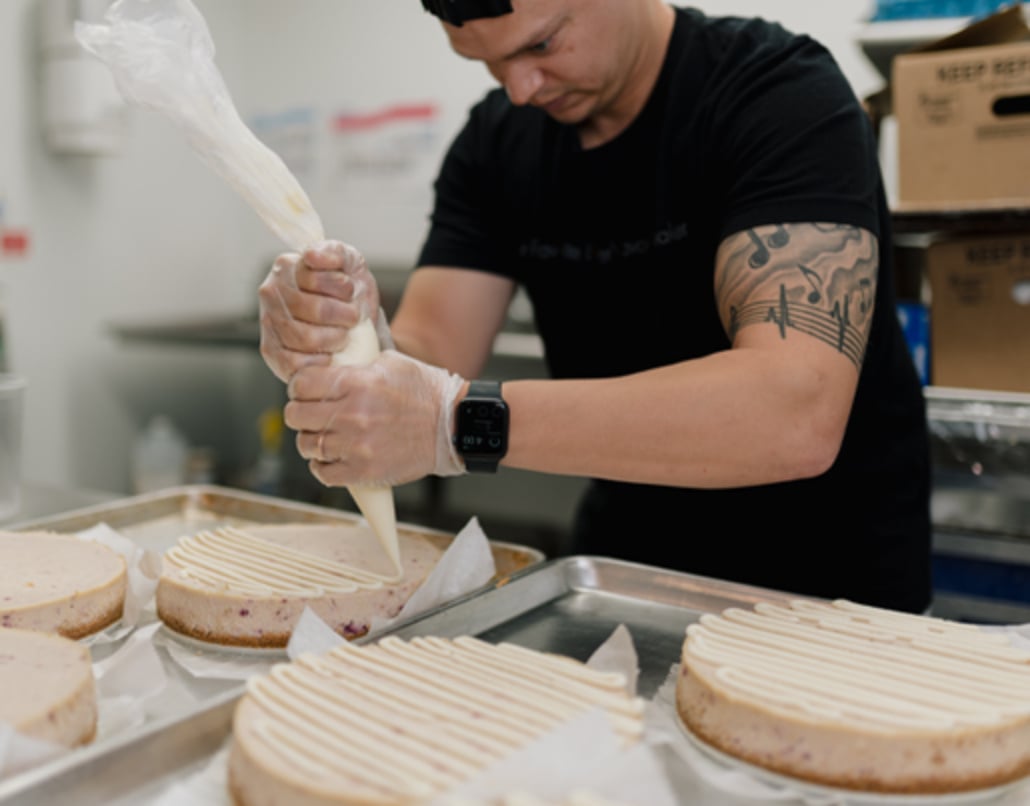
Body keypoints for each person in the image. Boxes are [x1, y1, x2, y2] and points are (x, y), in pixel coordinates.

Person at [258, 0, 933, 614]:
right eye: (489, 63)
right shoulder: (495, 145)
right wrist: (356, 346)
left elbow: (794, 411)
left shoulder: (779, 95)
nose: (520, 88)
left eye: (542, 45)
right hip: (624, 578)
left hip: (830, 597)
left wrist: (456, 422)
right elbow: (433, 351)